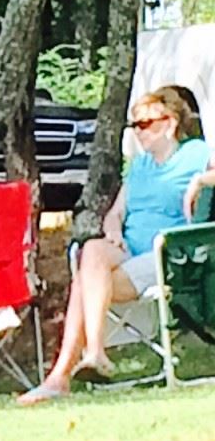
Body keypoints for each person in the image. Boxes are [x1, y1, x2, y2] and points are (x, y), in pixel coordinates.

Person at [19, 87, 211, 405]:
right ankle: (93, 352)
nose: (138, 132)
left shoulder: (196, 153)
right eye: (134, 126)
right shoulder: (139, 166)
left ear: (170, 123)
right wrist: (112, 229)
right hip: (128, 248)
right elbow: (117, 212)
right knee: (92, 249)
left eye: (145, 124)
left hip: (165, 253)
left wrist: (201, 181)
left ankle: (61, 375)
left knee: (84, 282)